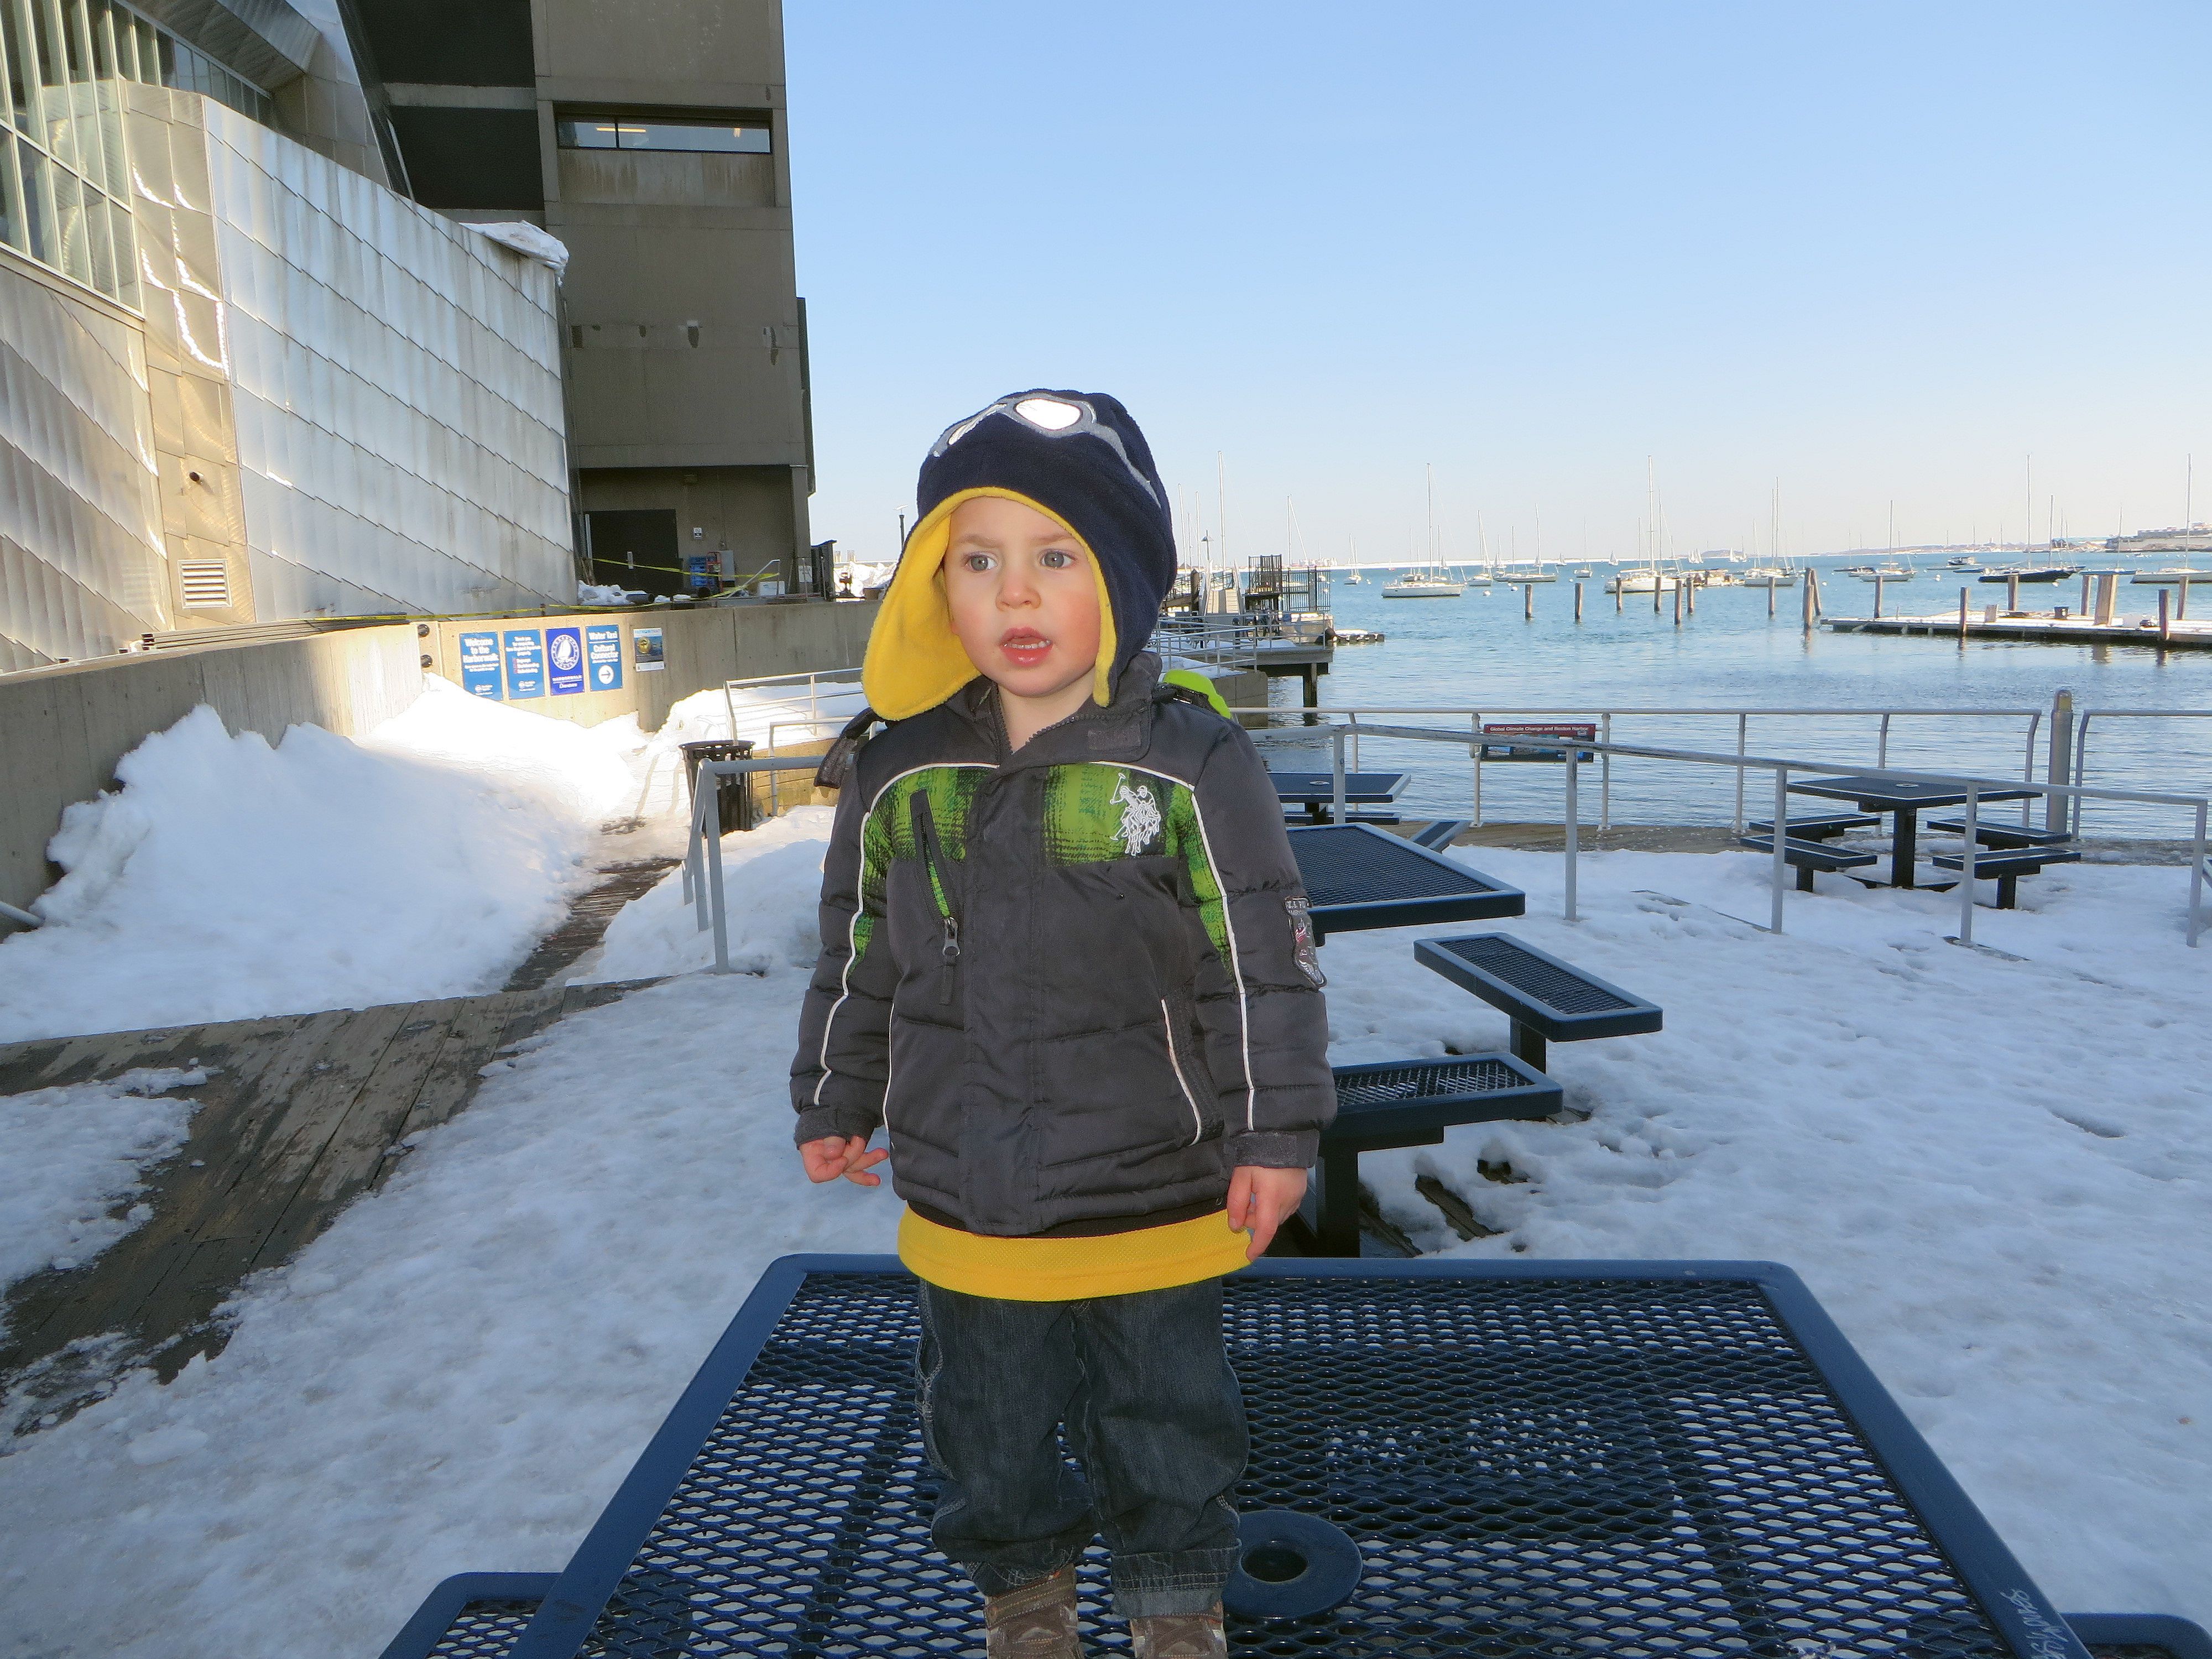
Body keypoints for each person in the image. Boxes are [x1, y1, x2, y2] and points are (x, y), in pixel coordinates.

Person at [790, 390, 1335, 1659]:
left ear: (1123, 582)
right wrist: (834, 1094)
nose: (1017, 594)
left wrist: (1275, 1136)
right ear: (934, 589)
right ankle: (1021, 1590)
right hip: (966, 1189)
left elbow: (1259, 965)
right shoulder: (897, 770)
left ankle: (1172, 1592)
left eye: (1056, 557)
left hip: (1156, 1183)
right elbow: (858, 951)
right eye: (977, 562)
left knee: (1167, 1415)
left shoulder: (1190, 763)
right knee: (983, 1421)